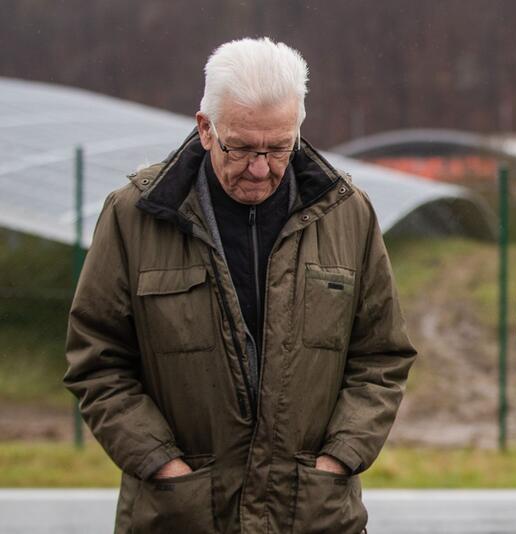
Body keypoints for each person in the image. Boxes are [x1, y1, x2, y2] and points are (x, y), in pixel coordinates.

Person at [64, 37, 416, 534]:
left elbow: (381, 356)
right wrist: (163, 465)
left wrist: (338, 458)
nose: (260, 168)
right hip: (177, 516)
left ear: (298, 128)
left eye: (278, 148)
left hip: (314, 515)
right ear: (205, 128)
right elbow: (97, 360)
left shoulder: (347, 214)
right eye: (242, 147)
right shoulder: (133, 217)